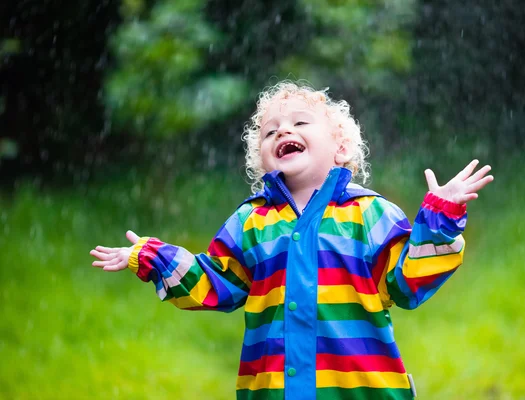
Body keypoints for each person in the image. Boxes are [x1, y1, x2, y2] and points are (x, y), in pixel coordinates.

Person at [90, 81, 493, 400]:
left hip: (361, 391)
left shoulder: (370, 215)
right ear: (262, 158)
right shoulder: (250, 223)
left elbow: (407, 283)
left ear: (341, 147)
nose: (284, 129)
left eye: (301, 123)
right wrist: (150, 256)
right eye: (269, 132)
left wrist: (441, 215)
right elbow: (213, 281)